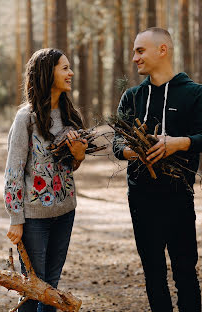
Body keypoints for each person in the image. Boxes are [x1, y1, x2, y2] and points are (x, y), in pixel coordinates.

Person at [113, 27, 202, 312]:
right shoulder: (131, 97)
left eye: (140, 50)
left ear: (162, 50)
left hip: (179, 197)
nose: (134, 57)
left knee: (186, 273)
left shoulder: (195, 94)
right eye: (134, 51)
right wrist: (131, 151)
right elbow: (116, 142)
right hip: (141, 200)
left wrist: (179, 143)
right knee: (153, 275)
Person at [4, 48, 88, 312]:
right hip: (34, 219)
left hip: (65, 212)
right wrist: (16, 219)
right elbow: (13, 170)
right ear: (46, 72)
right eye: (64, 68)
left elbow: (67, 168)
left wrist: (79, 156)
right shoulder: (25, 118)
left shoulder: (70, 117)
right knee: (32, 291)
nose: (71, 73)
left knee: (51, 290)